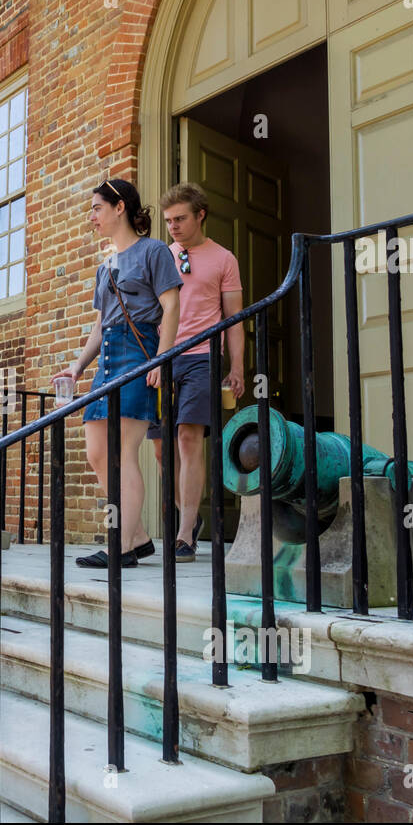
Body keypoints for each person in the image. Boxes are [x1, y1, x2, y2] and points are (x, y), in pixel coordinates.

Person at [52, 178, 182, 568]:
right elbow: (99, 324)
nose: (92, 216)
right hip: (107, 358)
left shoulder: (154, 252)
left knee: (122, 453)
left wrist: (162, 359)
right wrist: (77, 368)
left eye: (96, 207)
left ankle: (121, 546)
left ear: (120, 206)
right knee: (97, 453)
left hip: (138, 354)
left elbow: (171, 307)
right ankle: (138, 536)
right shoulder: (105, 265)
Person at [147, 182, 244, 562]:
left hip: (202, 356)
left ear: (200, 215)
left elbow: (235, 318)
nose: (173, 226)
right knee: (160, 449)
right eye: (169, 220)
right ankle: (187, 517)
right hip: (162, 358)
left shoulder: (224, 259)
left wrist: (235, 366)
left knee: (188, 438)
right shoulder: (160, 256)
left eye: (181, 219)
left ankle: (184, 531)